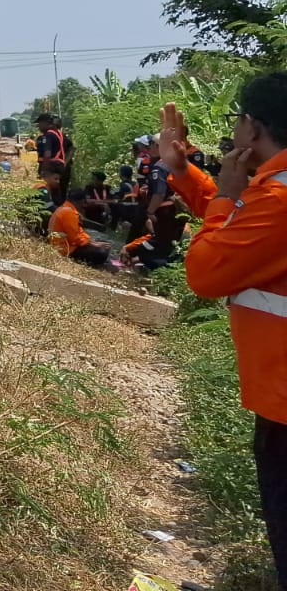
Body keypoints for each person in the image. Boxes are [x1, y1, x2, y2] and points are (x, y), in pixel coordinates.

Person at [164, 84, 287, 589]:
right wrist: (183, 170)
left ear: (253, 128)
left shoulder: (279, 197)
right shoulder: (273, 188)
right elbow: (241, 228)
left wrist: (229, 196)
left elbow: (209, 271)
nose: (233, 128)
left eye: (238, 119)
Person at [48, 185, 112, 267]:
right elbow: (75, 238)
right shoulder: (68, 212)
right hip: (64, 249)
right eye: (84, 202)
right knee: (101, 253)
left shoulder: (67, 209)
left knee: (102, 243)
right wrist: (92, 244)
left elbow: (79, 232)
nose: (84, 206)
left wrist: (92, 242)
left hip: (69, 245)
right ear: (80, 201)